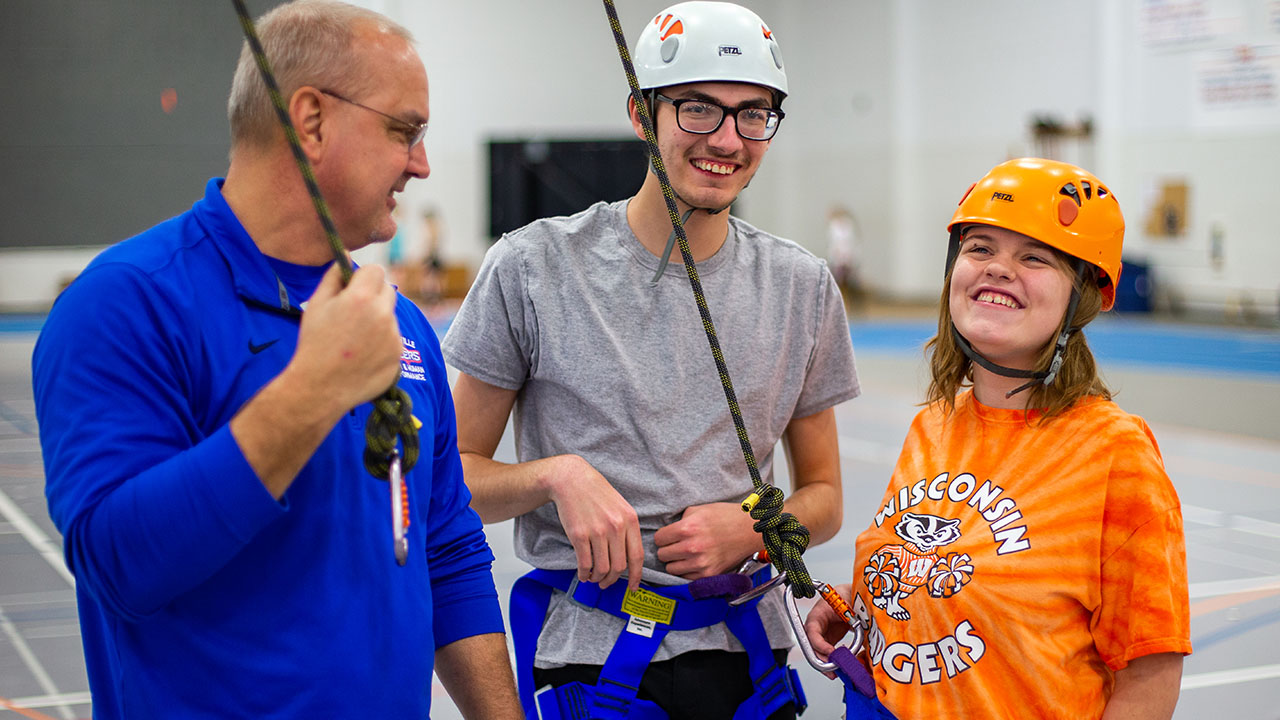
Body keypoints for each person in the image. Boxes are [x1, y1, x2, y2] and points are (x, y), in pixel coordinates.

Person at [31, 2, 521, 718]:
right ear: (312, 120)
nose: (420, 164)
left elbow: (445, 551)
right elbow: (120, 566)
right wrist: (314, 390)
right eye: (403, 131)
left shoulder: (401, 327)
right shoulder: (127, 305)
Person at [441, 2, 859, 718]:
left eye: (753, 114)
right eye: (699, 109)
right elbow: (452, 483)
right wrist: (556, 477)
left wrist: (756, 528)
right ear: (642, 114)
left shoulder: (801, 286)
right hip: (590, 660)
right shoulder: (533, 267)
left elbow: (823, 496)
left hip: (748, 659)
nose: (727, 139)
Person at [804, 158, 1191, 719]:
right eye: (980, 248)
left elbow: (1149, 670)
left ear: (1079, 297)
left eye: (1034, 257)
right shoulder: (934, 424)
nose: (998, 269)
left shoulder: (1113, 452)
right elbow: (944, 560)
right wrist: (870, 600)